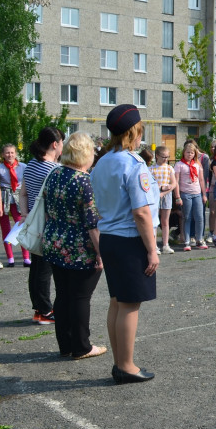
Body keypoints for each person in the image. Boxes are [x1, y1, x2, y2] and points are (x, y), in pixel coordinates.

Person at [91, 104, 158, 383]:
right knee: (130, 304)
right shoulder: (133, 163)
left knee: (117, 302)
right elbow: (141, 212)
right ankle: (126, 365)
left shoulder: (103, 161)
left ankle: (120, 362)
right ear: (134, 132)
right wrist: (153, 249)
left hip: (109, 238)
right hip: (130, 240)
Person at [42, 132, 106, 360]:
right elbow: (92, 224)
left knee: (63, 295)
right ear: (86, 154)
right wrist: (101, 254)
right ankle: (81, 347)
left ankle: (66, 345)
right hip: (79, 249)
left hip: (54, 243)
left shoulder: (54, 173)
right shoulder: (83, 180)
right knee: (80, 297)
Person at [18, 126, 64, 324]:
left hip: (33, 222)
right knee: (45, 270)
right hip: (49, 225)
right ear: (55, 144)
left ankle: (39, 308)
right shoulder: (54, 169)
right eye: (62, 143)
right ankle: (45, 310)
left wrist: (25, 214)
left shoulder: (30, 165)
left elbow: (23, 194)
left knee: (36, 268)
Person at [0, 144, 29, 267]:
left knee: (21, 226)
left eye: (12, 152)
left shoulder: (23, 167)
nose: (10, 155)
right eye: (7, 153)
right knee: (5, 228)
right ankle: (10, 258)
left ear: (15, 153)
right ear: (2, 155)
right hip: (4, 197)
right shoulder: (0, 168)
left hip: (18, 197)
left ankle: (26, 257)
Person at [174, 143, 207, 251]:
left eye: (192, 153)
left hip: (197, 193)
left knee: (199, 217)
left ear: (195, 154)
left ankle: (199, 239)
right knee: (187, 217)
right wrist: (178, 196)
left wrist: (204, 194)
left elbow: (201, 180)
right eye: (187, 152)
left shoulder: (197, 165)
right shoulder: (179, 165)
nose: (189, 154)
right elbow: (176, 181)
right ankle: (187, 241)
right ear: (184, 152)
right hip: (185, 194)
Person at [149, 146, 177, 254]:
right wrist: (160, 189)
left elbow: (174, 184)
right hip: (155, 196)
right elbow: (150, 185)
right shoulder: (151, 169)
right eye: (163, 157)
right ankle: (154, 246)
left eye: (167, 157)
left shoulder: (169, 168)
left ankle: (166, 244)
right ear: (157, 156)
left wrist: (164, 192)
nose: (166, 159)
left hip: (167, 196)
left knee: (165, 221)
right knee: (154, 222)